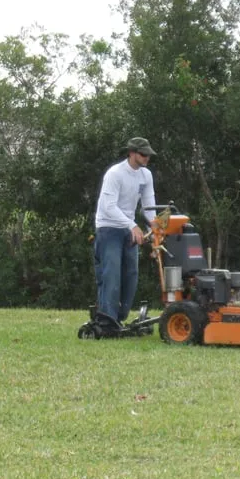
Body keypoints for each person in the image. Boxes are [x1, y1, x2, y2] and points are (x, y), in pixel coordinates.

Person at [93, 137, 157, 333]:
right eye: (143, 154)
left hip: (129, 228)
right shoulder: (115, 174)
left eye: (148, 154)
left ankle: (119, 319)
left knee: (131, 274)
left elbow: (148, 206)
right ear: (131, 153)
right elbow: (108, 206)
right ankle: (106, 320)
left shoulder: (146, 176)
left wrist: (155, 228)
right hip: (108, 227)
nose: (147, 158)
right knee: (111, 273)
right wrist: (132, 225)